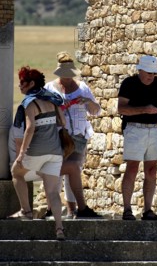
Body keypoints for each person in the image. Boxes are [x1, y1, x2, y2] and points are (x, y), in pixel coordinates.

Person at [10, 66, 66, 240]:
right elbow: (62, 122)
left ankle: (26, 211)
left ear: (31, 84)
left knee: (16, 173)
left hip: (36, 151)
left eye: (22, 83)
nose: (19, 86)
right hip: (56, 152)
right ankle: (59, 229)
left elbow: (30, 128)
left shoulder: (29, 103)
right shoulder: (53, 100)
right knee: (53, 192)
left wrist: (21, 154)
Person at [44, 51, 102, 219]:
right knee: (59, 172)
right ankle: (53, 208)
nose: (67, 78)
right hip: (57, 136)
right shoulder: (49, 88)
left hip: (77, 137)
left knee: (74, 169)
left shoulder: (82, 88)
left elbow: (96, 111)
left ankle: (72, 210)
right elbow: (44, 111)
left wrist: (88, 102)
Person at [118, 55, 157, 221]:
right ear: (140, 70)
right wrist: (144, 110)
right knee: (132, 167)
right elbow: (122, 109)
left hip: (153, 129)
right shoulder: (129, 83)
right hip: (134, 128)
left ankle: (148, 210)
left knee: (152, 169)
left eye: (154, 73)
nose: (151, 76)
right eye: (149, 72)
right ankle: (127, 209)